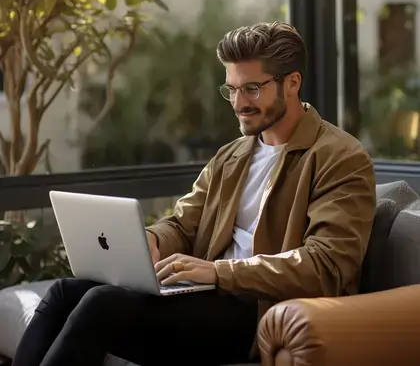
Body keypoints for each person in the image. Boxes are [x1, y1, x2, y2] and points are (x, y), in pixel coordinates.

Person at [12, 22, 376, 366]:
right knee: (64, 291)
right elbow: (183, 224)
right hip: (206, 295)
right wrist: (153, 240)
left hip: (261, 310)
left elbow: (328, 264)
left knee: (101, 304)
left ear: (292, 83)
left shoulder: (340, 157)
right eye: (231, 89)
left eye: (252, 89)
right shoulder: (232, 155)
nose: (238, 102)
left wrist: (219, 272)